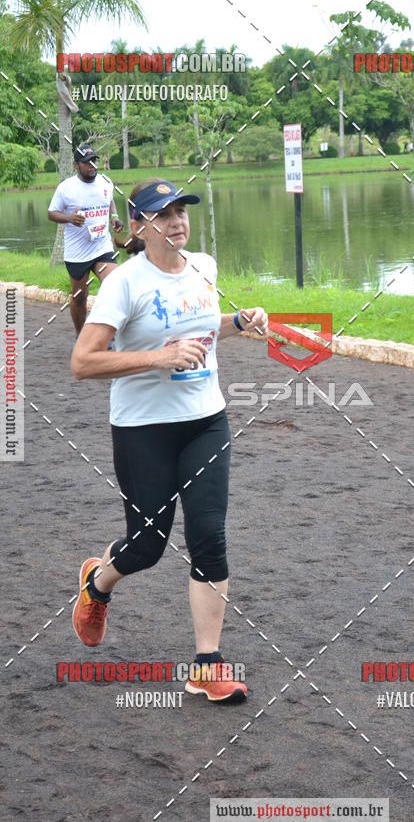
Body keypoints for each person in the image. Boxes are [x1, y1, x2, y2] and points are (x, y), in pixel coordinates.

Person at [70, 178, 268, 703]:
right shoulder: (123, 284)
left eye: (181, 210)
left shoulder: (204, 266)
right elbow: (83, 361)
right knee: (147, 547)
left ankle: (208, 665)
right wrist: (159, 357)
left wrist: (240, 322)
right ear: (139, 226)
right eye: (164, 214)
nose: (178, 221)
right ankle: (97, 583)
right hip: (143, 430)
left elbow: (201, 327)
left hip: (206, 421)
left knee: (209, 536)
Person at [48, 143, 124, 335]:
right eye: (87, 162)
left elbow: (110, 200)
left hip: (101, 247)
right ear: (76, 165)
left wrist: (114, 217)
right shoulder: (66, 188)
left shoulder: (105, 181)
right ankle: (82, 336)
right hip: (77, 253)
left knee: (115, 286)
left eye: (94, 161)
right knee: (80, 297)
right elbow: (51, 213)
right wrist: (69, 218)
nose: (92, 165)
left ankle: (110, 333)